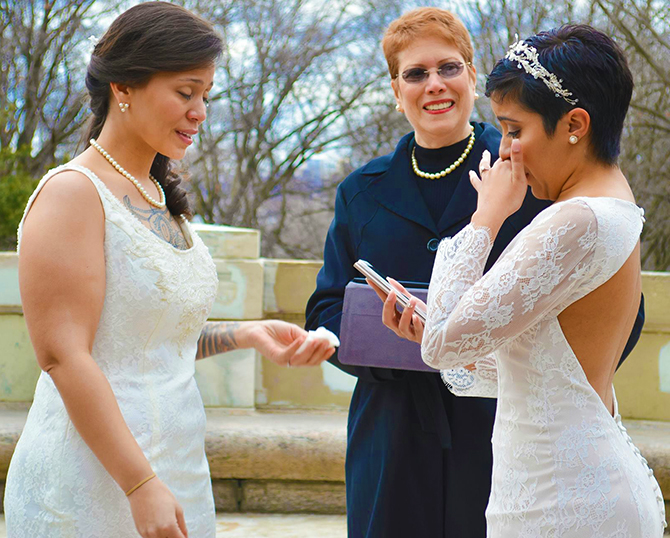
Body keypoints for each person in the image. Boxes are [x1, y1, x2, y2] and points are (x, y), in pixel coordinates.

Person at [305, 8, 644, 538]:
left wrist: (544, 390)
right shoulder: (360, 190)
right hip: (394, 431)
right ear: (396, 90)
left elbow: (601, 318)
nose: (434, 84)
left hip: (502, 437)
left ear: (470, 73)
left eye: (449, 68)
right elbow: (325, 309)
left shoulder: (536, 178)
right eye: (416, 73)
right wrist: (404, 343)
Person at [2, 3, 335, 537]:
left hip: (177, 469)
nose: (200, 111)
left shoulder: (159, 195)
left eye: (206, 95)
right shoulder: (73, 193)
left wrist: (245, 334)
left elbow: (145, 338)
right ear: (124, 87)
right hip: (92, 480)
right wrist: (138, 484)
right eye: (186, 92)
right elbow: (63, 355)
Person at [420, 25, 666, 536]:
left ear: (575, 123)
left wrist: (484, 220)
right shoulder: (614, 207)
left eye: (515, 130)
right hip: (561, 487)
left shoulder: (573, 220)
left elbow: (441, 346)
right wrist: (436, 326)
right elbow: (537, 375)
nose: (506, 151)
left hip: (563, 502)